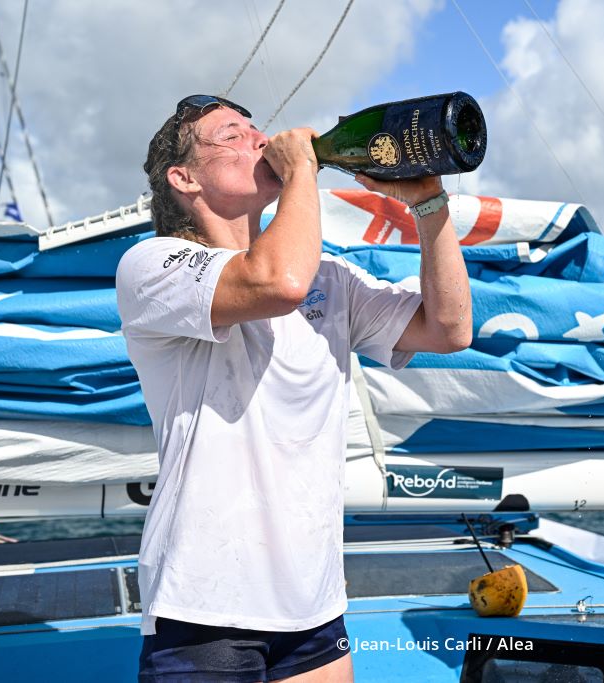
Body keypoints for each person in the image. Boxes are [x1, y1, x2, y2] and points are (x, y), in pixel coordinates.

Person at [116, 94, 472, 682]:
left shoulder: (330, 280)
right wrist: (304, 168)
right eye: (230, 136)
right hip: (205, 602)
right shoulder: (153, 265)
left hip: (314, 603)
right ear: (184, 178)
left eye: (256, 129)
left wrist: (429, 203)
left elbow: (451, 328)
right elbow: (275, 281)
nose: (258, 139)